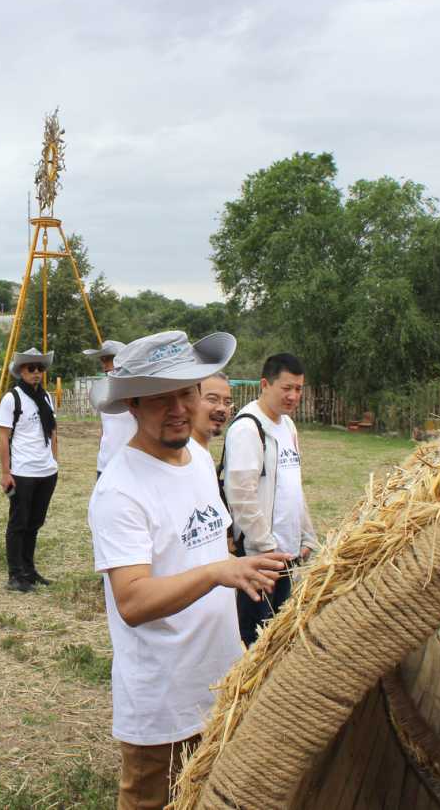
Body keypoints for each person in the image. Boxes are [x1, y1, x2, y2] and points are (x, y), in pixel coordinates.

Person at [88, 331, 287, 810]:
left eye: (185, 391)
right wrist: (220, 573)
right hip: (163, 700)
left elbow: (208, 542)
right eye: (159, 398)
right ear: (132, 404)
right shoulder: (121, 491)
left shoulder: (197, 458)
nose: (177, 407)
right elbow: (132, 602)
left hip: (217, 680)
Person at [222, 352, 318, 647]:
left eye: (299, 389)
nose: (293, 396)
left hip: (287, 554)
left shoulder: (288, 426)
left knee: (280, 635)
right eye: (286, 388)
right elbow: (241, 496)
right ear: (265, 384)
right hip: (261, 557)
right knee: (256, 639)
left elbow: (293, 486)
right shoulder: (248, 428)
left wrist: (307, 536)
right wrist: (266, 547)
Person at [0, 347, 59, 593]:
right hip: (23, 471)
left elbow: (53, 431)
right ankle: (15, 574)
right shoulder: (12, 398)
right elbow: (3, 437)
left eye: (40, 368)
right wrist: (6, 472)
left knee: (35, 523)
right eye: (31, 368)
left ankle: (29, 570)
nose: (36, 373)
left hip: (46, 471)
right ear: (21, 371)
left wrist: (55, 461)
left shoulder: (46, 398)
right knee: (18, 523)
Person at [84, 339, 137, 478]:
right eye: (103, 360)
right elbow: (105, 428)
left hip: (132, 466)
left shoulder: (138, 391)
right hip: (105, 465)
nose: (105, 365)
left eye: (109, 359)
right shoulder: (102, 392)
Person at [190, 371, 232, 450]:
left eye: (227, 402)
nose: (222, 408)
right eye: (212, 399)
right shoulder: (180, 457)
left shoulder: (201, 453)